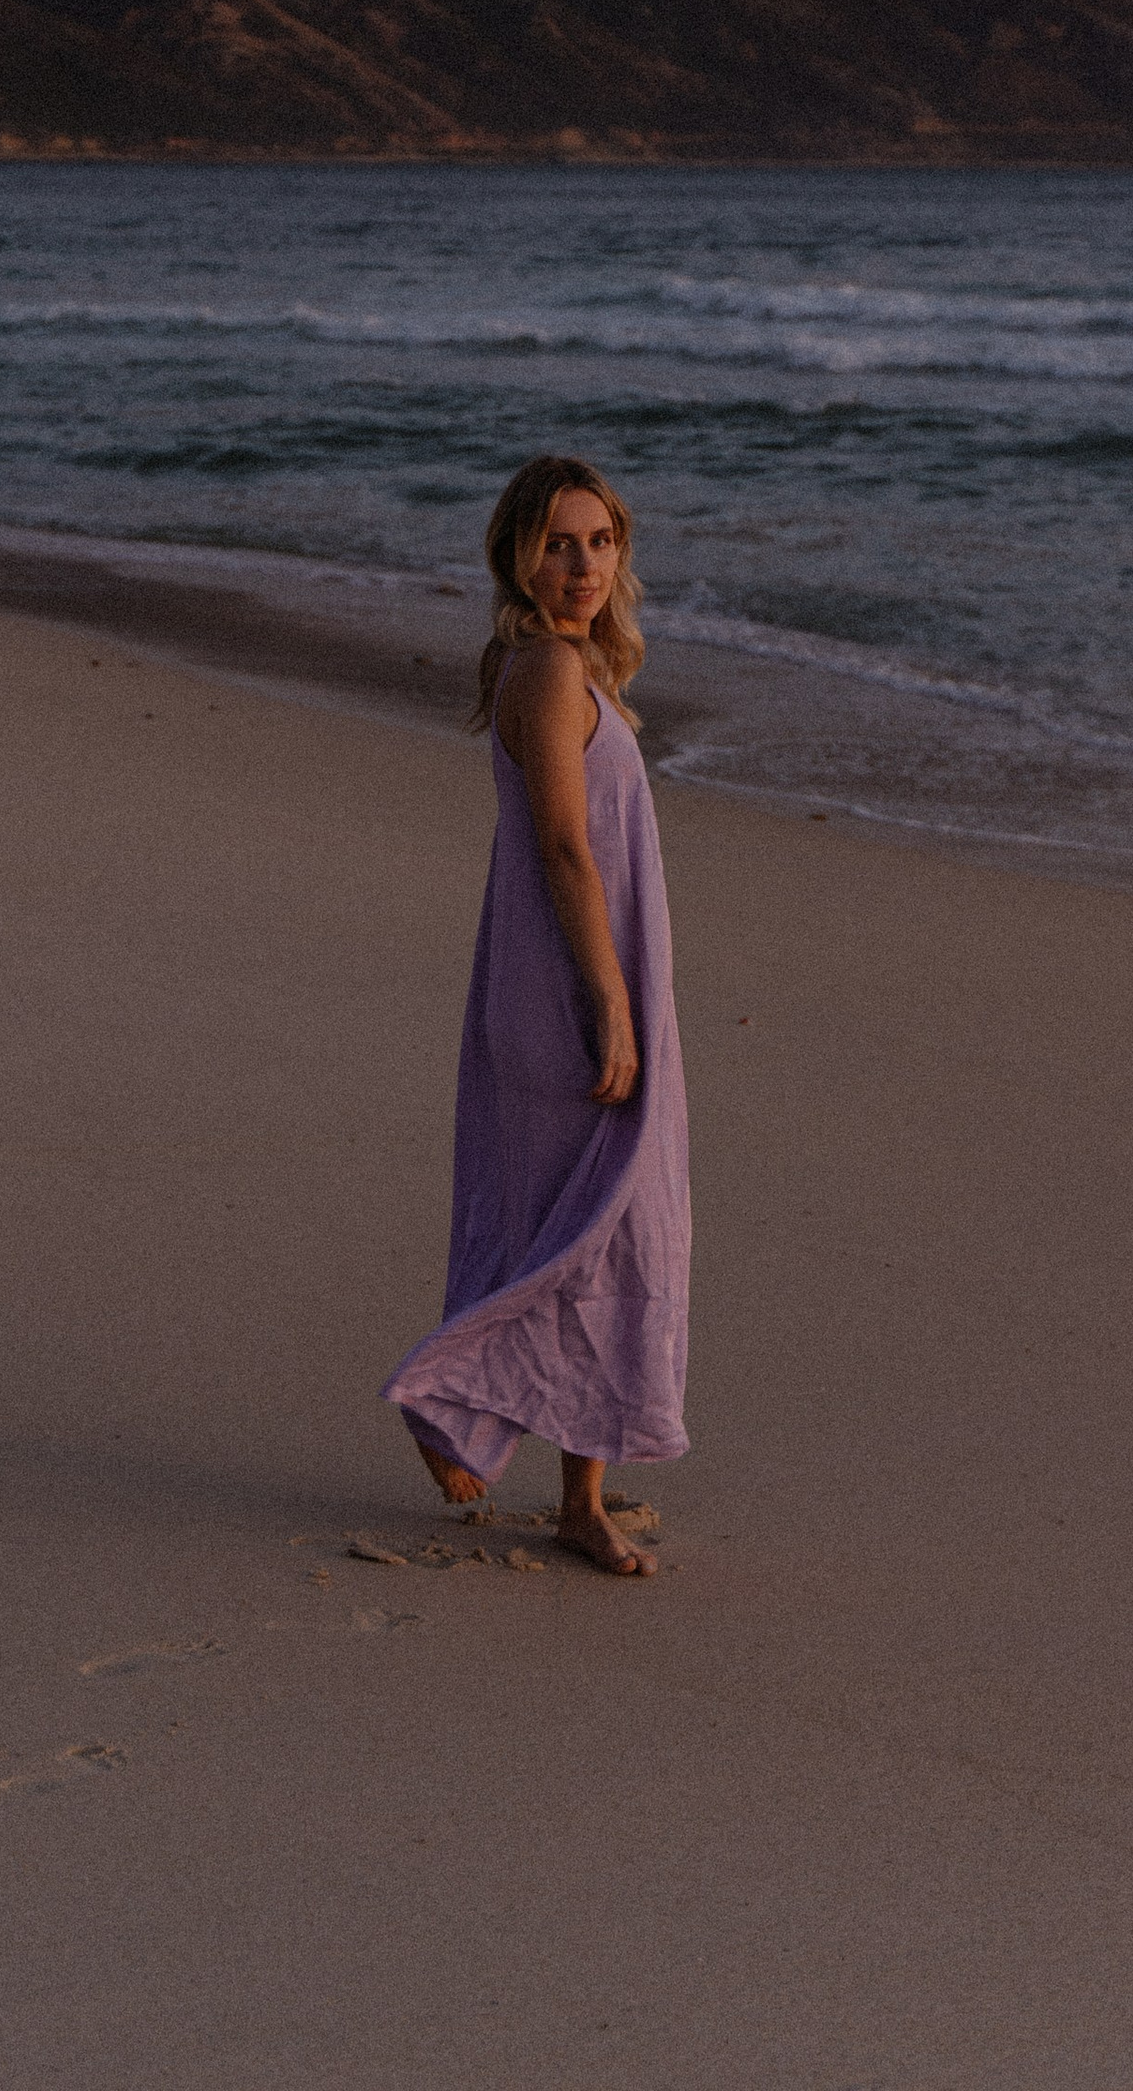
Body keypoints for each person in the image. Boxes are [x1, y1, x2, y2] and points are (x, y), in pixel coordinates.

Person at [380, 455, 690, 1577]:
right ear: (519, 553)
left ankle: (574, 1492)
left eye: (599, 542)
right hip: (567, 984)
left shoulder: (559, 669)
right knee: (604, 1229)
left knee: (592, 1228)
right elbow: (565, 846)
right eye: (558, 544)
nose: (581, 568)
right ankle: (449, 1398)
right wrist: (609, 1002)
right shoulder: (551, 673)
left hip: (562, 972)